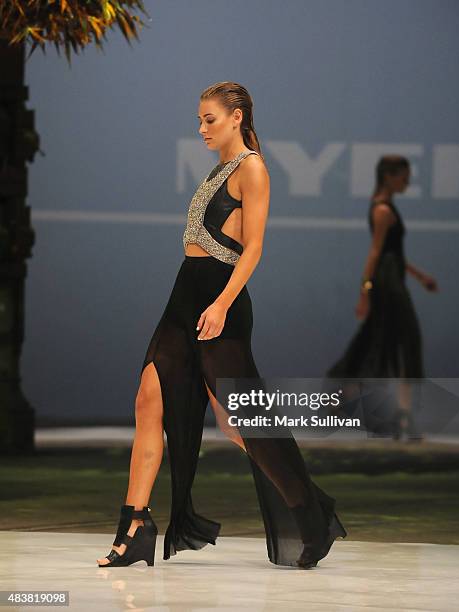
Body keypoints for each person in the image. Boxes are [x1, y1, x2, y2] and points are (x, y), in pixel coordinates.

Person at [97, 81, 347, 570]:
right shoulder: (220, 169)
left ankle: (310, 512)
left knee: (239, 425)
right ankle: (135, 526)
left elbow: (253, 247)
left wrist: (222, 304)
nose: (202, 128)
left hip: (219, 301)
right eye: (198, 121)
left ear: (236, 116)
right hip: (184, 296)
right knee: (149, 398)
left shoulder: (252, 167)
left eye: (209, 119)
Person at [326, 155, 438, 440]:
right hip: (389, 287)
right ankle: (402, 419)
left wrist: (420, 276)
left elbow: (393, 254)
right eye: (403, 176)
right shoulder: (382, 210)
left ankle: (342, 400)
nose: (407, 182)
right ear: (388, 176)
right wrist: (365, 291)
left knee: (380, 343)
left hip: (392, 281)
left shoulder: (386, 208)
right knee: (402, 345)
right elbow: (376, 253)